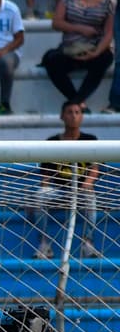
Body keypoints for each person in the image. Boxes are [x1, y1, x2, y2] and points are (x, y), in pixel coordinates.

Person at [31, 100, 102, 260]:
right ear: (62, 116)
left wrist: (86, 185)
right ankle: (44, 244)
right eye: (69, 112)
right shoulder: (52, 142)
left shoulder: (90, 140)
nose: (74, 116)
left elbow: (94, 168)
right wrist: (42, 190)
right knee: (40, 195)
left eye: (77, 112)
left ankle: (87, 244)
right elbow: (46, 174)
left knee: (90, 197)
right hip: (60, 192)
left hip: (82, 190)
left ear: (82, 117)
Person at [41, 0, 114, 110]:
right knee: (51, 59)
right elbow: (57, 23)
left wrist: (95, 53)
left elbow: (108, 34)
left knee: (106, 58)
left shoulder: (109, 3)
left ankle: (76, 102)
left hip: (95, 49)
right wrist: (80, 28)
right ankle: (78, 103)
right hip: (71, 48)